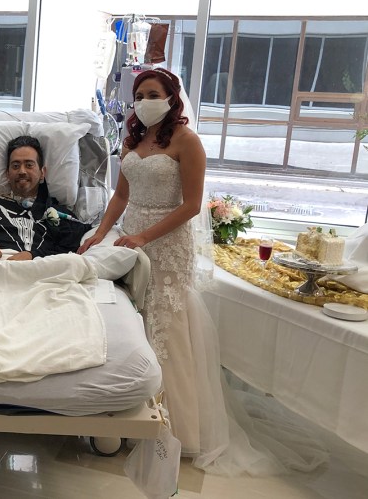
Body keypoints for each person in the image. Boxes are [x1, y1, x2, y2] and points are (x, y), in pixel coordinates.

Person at [79, 68, 326, 475]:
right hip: (131, 237)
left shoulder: (188, 142)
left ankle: (180, 426)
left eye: (152, 93)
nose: (143, 101)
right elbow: (121, 194)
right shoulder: (135, 140)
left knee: (166, 321)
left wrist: (145, 237)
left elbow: (191, 205)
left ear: (172, 98)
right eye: (138, 95)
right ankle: (131, 408)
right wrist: (99, 234)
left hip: (167, 240)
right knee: (135, 317)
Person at [0, 136, 91, 259]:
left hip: (41, 274)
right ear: (7, 174)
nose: (22, 171)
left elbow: (72, 253)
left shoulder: (58, 214)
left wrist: (33, 256)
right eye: (15, 166)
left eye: (29, 165)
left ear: (42, 173)